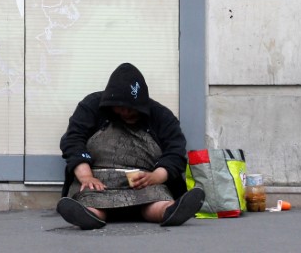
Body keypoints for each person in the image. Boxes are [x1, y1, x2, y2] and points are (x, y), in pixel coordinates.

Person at [56, 62, 205, 230]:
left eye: (132, 109)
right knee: (90, 197)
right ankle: (87, 215)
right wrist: (86, 176)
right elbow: (73, 140)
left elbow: (175, 151)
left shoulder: (161, 116)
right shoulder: (91, 106)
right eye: (121, 108)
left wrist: (156, 176)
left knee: (157, 200)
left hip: (145, 182)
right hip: (97, 181)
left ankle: (169, 211)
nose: (126, 113)